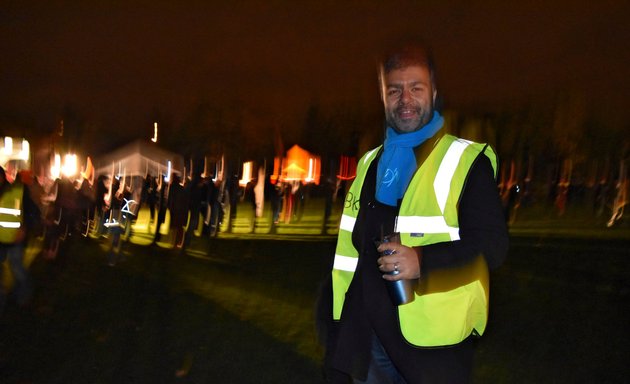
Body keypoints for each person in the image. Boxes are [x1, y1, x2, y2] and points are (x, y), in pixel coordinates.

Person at [320, 41, 509, 383]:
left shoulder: (465, 161)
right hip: (369, 337)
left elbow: (492, 247)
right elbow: (353, 253)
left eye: (416, 88)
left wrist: (422, 260)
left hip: (434, 346)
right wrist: (338, 331)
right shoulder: (369, 163)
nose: (405, 99)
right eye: (395, 90)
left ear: (433, 92)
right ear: (383, 96)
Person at [0, 166, 39, 313]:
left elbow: (32, 212)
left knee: (17, 269)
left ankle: (24, 296)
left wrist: (24, 228)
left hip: (15, 239)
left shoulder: (17, 191)